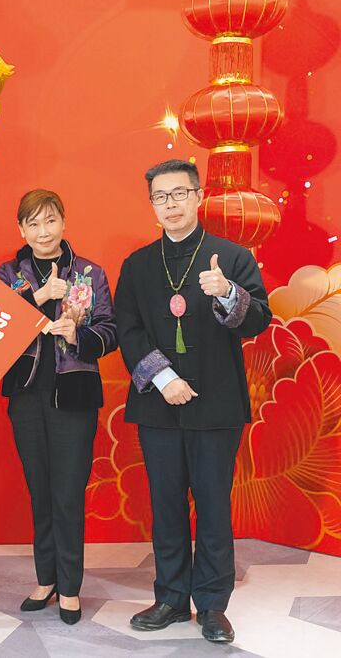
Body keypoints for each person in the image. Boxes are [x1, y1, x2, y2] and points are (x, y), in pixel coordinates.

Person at [115, 159, 271, 643]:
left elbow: (259, 320)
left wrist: (227, 294)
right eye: (161, 197)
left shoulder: (232, 257)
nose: (171, 204)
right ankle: (169, 598)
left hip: (216, 405)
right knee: (166, 505)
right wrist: (163, 378)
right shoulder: (137, 265)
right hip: (159, 405)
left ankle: (212, 605)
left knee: (213, 505)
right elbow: (128, 330)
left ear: (199, 196)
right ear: (151, 204)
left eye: (179, 193)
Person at [0, 189, 118, 625]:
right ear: (21, 229)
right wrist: (40, 296)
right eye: (33, 223)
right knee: (40, 490)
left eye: (50, 221)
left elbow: (110, 330)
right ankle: (45, 578)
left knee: (67, 493)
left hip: (74, 397)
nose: (43, 232)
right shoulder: (9, 274)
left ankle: (69, 586)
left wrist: (76, 336)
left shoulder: (89, 273)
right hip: (27, 396)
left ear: (64, 223)